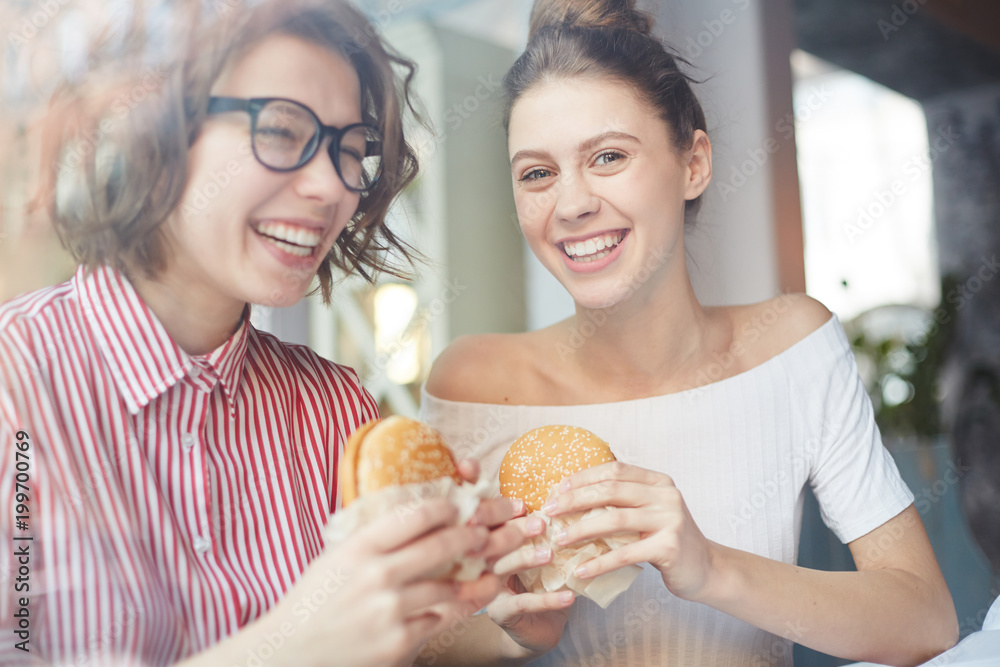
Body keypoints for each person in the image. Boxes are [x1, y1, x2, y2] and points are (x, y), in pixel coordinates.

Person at [418, 0, 960, 665]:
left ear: (694, 162)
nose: (572, 203)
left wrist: (712, 569)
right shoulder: (473, 383)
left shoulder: (792, 344)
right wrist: (514, 630)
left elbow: (925, 617)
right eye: (537, 172)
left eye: (608, 156)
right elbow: (426, 642)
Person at [0, 2, 523, 665]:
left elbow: (402, 638)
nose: (331, 185)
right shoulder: (15, 384)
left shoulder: (335, 409)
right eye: (281, 130)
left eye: (350, 152)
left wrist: (503, 612)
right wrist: (296, 643)